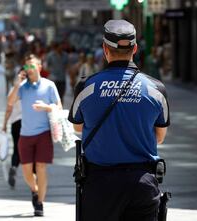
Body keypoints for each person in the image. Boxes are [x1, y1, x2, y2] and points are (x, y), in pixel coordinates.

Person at [68, 20, 170, 221]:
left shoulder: (86, 86)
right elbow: (159, 137)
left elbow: (77, 126)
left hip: (100, 185)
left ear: (105, 49)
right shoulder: (156, 89)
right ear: (135, 49)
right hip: (142, 184)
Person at [7, 54, 62, 216]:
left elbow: (58, 107)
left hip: (44, 133)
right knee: (26, 171)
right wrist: (17, 84)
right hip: (25, 134)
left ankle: (39, 203)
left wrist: (46, 107)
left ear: (39, 67)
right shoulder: (22, 87)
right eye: (26, 67)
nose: (29, 69)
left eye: (32, 66)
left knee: (41, 167)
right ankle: (35, 190)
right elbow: (10, 102)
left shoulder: (49, 85)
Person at [2, 97, 22, 188]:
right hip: (29, 123)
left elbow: (8, 109)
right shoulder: (32, 88)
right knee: (29, 149)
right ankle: (34, 173)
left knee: (16, 148)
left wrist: (5, 124)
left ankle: (14, 166)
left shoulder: (14, 90)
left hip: (16, 123)